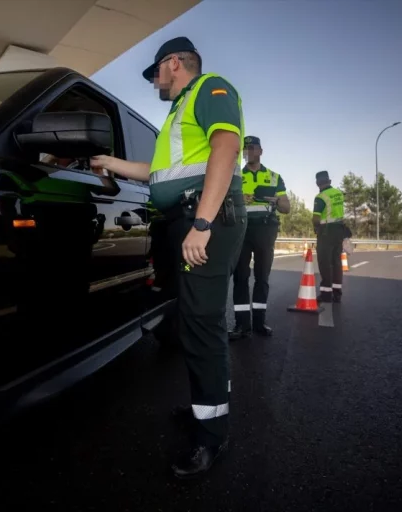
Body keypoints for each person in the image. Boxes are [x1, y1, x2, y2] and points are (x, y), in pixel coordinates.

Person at [90, 36, 246, 478]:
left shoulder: (211, 88)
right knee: (193, 324)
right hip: (184, 218)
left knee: (202, 323)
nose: (154, 80)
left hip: (206, 219)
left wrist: (202, 224)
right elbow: (158, 175)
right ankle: (205, 410)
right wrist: (110, 162)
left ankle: (212, 435)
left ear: (174, 63)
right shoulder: (177, 114)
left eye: (155, 71)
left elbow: (225, 148)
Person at [229, 136, 290, 339]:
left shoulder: (274, 177)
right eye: (245, 148)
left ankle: (259, 323)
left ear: (260, 151)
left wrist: (276, 201)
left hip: (265, 230)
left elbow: (286, 207)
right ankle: (242, 325)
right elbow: (224, 198)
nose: (248, 151)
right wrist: (238, 198)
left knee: (262, 278)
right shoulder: (235, 175)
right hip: (241, 229)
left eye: (252, 147)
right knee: (240, 277)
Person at [312, 170, 346, 302]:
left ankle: (326, 294)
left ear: (317, 183)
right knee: (336, 262)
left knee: (325, 262)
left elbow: (315, 218)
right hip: (339, 230)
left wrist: (316, 228)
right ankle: (337, 292)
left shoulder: (320, 197)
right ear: (329, 181)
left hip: (326, 231)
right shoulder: (338, 193)